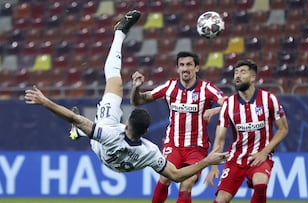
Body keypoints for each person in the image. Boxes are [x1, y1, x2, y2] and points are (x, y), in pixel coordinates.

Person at [24, 10, 229, 182]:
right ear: (146, 131)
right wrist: (207, 162)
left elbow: (72, 116)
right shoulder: (150, 151)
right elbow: (176, 175)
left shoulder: (110, 133)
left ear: (126, 122)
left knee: (114, 83)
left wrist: (44, 101)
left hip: (107, 145)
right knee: (89, 127)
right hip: (122, 163)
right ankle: (79, 133)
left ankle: (119, 33)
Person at [131, 51, 227, 203]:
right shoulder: (170, 87)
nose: (185, 68)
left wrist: (215, 110)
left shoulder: (207, 88)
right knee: (164, 178)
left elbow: (231, 104)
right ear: (177, 69)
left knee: (186, 184)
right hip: (173, 144)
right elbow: (138, 101)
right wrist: (136, 88)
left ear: (197, 68)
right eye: (181, 65)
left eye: (189, 64)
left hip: (197, 148)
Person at [204, 60, 289, 203]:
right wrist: (213, 166)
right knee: (221, 200)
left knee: (261, 184)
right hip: (235, 159)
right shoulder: (228, 105)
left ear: (253, 77)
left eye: (243, 72)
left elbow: (283, 129)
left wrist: (265, 151)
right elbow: (220, 138)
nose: (237, 76)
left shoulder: (269, 99)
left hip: (260, 156)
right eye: (236, 72)